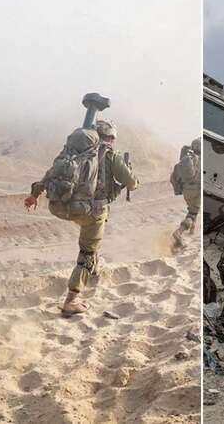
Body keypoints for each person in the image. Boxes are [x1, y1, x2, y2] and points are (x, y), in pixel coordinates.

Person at [24, 120, 138, 316]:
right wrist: (133, 179)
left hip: (67, 206)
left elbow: (50, 173)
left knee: (92, 243)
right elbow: (131, 183)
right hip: (92, 212)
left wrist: (34, 195)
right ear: (110, 137)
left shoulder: (74, 153)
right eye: (112, 138)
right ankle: (72, 300)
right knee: (87, 251)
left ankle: (92, 271)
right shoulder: (111, 156)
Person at [170, 137, 201, 251]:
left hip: (186, 190)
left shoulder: (186, 159)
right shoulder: (200, 160)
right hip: (196, 190)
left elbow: (174, 177)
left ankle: (192, 230)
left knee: (192, 209)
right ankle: (179, 232)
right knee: (192, 213)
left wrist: (179, 190)